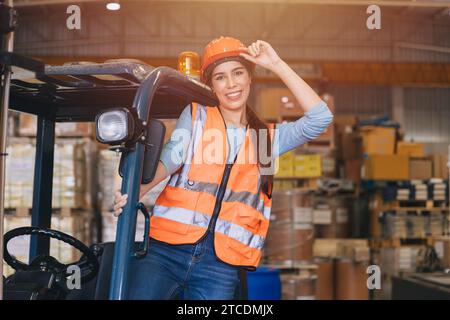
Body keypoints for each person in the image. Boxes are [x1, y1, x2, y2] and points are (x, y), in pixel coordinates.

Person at [113, 36, 333, 300]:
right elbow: (169, 161)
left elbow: (321, 117)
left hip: (220, 265)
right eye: (220, 77)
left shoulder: (265, 140)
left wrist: (275, 64)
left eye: (238, 73)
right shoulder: (197, 117)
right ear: (212, 85)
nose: (231, 84)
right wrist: (130, 193)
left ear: (250, 78)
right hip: (165, 252)